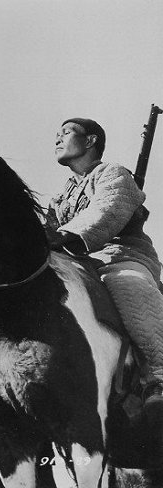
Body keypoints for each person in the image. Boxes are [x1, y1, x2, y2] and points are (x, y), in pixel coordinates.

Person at [46, 117, 163, 451]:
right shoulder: (61, 195)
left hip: (120, 257)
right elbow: (47, 229)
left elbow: (108, 209)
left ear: (91, 140)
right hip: (78, 263)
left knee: (130, 287)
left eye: (65, 132)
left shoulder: (113, 174)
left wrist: (66, 235)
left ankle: (158, 378)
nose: (58, 137)